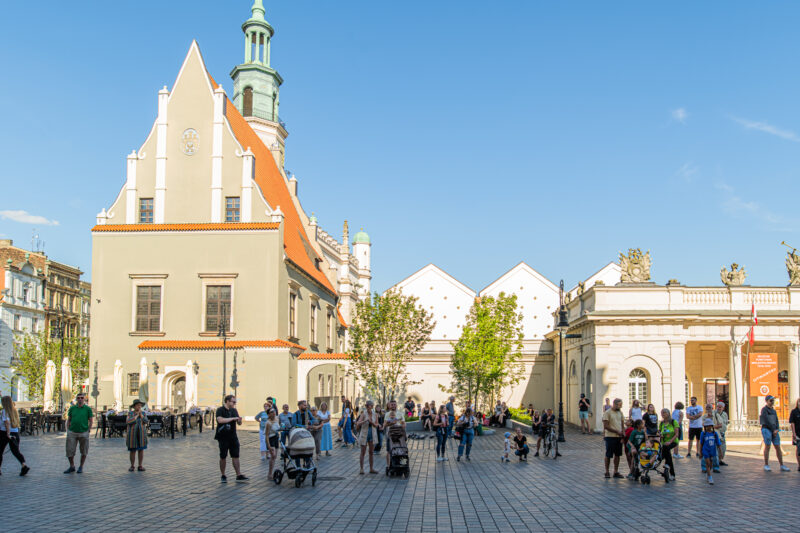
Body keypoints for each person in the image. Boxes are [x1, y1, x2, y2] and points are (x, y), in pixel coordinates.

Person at [215, 395, 247, 483]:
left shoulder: (234, 410)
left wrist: (239, 420)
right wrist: (233, 418)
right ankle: (223, 474)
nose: (234, 404)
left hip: (233, 436)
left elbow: (239, 423)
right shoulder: (220, 410)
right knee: (223, 456)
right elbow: (220, 420)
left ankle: (238, 474)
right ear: (227, 401)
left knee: (236, 455)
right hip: (223, 437)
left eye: (235, 402)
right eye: (233, 402)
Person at [0, 396, 30, 476]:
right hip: (15, 433)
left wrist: (8, 434)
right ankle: (24, 465)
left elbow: (7, 423)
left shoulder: (4, 411)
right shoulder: (14, 411)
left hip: (4, 433)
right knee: (16, 451)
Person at [64, 392, 93, 474]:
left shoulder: (87, 409)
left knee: (84, 450)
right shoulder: (72, 408)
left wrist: (89, 429)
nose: (80, 399)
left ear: (84, 399)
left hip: (83, 432)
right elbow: (69, 419)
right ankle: (72, 466)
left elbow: (90, 420)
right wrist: (68, 429)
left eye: (81, 398)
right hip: (72, 432)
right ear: (76, 399)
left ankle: (81, 466)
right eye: (78, 398)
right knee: (69, 450)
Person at [760, 395, 790, 472]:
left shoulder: (774, 411)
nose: (772, 402)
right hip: (767, 429)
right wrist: (773, 430)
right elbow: (766, 421)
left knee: (778, 446)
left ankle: (782, 465)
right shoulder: (764, 410)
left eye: (773, 400)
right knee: (767, 446)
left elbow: (776, 420)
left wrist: (777, 429)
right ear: (766, 401)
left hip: (774, 431)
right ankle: (766, 464)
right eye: (770, 400)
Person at [602, 398, 625, 479]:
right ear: (615, 404)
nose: (620, 407)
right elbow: (606, 426)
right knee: (608, 454)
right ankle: (607, 471)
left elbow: (622, 424)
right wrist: (616, 431)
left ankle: (615, 471)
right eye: (619, 405)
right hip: (610, 436)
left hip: (619, 437)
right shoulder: (607, 413)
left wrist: (623, 434)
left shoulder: (620, 412)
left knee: (618, 454)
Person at [355, 400, 379, 474]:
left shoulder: (375, 414)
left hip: (372, 434)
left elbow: (376, 425)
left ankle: (371, 468)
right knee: (363, 452)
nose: (370, 407)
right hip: (364, 434)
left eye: (371, 405)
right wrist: (365, 421)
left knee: (371, 452)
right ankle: (361, 469)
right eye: (369, 405)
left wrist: (371, 422)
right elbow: (358, 423)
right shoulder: (363, 414)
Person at [125, 400, 148, 472]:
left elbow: (146, 421)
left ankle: (140, 465)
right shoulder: (130, 413)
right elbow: (128, 421)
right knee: (133, 450)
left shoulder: (143, 413)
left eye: (140, 405)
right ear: (134, 406)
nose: (139, 406)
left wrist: (141, 416)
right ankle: (132, 466)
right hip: (132, 434)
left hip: (141, 434)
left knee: (141, 450)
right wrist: (136, 416)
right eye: (138, 405)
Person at [383, 400, 405, 468]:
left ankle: (403, 464)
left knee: (402, 448)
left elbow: (403, 423)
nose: (393, 406)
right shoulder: (387, 414)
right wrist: (392, 423)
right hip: (390, 434)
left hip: (399, 433)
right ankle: (388, 465)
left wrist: (402, 424)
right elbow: (385, 424)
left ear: (396, 405)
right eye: (392, 405)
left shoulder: (400, 413)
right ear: (389, 405)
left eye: (394, 404)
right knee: (389, 450)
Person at [659, 408, 678, 480]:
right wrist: (660, 435)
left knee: (666, 449)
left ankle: (664, 461)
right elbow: (659, 431)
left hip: (673, 441)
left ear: (668, 413)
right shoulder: (661, 423)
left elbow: (676, 434)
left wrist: (670, 442)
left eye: (664, 413)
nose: (663, 414)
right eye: (662, 413)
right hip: (664, 442)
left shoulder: (673, 422)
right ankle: (672, 474)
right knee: (668, 455)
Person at [700, 418, 720, 484]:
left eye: (710, 426)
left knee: (711, 464)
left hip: (712, 451)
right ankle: (710, 477)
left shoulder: (714, 434)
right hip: (706, 450)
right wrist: (700, 452)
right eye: (707, 426)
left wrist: (720, 452)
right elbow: (701, 443)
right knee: (707, 463)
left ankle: (708, 474)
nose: (709, 427)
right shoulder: (703, 434)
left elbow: (718, 443)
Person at [265, 409, 280, 478]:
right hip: (271, 439)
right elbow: (267, 435)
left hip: (276, 438)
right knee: (273, 455)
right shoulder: (268, 423)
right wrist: (268, 446)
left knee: (275, 456)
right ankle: (269, 473)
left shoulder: (277, 419)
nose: (273, 413)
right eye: (271, 412)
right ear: (268, 414)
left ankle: (270, 472)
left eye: (274, 411)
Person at [713, 402, 729, 466]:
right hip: (716, 433)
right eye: (718, 407)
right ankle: (715, 461)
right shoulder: (714, 413)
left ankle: (720, 460)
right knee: (716, 447)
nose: (719, 408)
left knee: (723, 447)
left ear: (723, 408)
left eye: (720, 407)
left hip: (722, 433)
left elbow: (726, 422)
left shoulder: (724, 414)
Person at [790, 398, 800, 471]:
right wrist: (794, 433)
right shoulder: (794, 412)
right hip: (797, 433)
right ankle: (799, 465)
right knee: (798, 449)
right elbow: (792, 423)